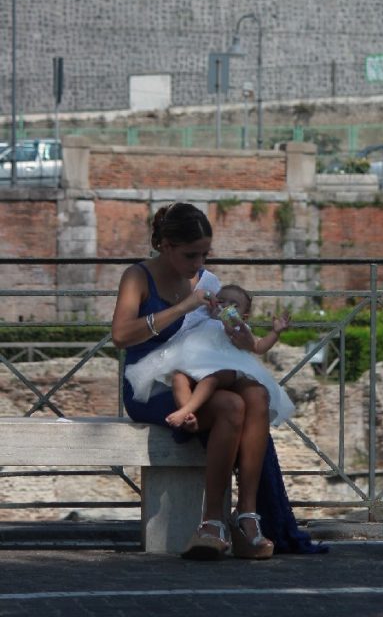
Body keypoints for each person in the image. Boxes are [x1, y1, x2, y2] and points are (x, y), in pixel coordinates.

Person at [111, 201, 275, 561]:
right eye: (190, 255)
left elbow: (213, 339)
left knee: (258, 395)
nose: (199, 264)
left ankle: (247, 518)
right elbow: (120, 335)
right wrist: (182, 308)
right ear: (166, 246)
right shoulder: (138, 276)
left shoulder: (208, 282)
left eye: (204, 254)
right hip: (148, 382)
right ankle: (212, 522)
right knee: (232, 405)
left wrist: (230, 326)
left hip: (197, 369)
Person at [125, 279, 295, 432]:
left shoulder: (239, 328)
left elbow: (258, 347)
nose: (226, 306)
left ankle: (186, 409)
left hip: (222, 367)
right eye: (221, 301)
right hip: (194, 362)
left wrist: (275, 332)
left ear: (244, 316)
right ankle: (188, 417)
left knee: (210, 380)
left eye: (234, 305)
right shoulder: (203, 321)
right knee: (178, 379)